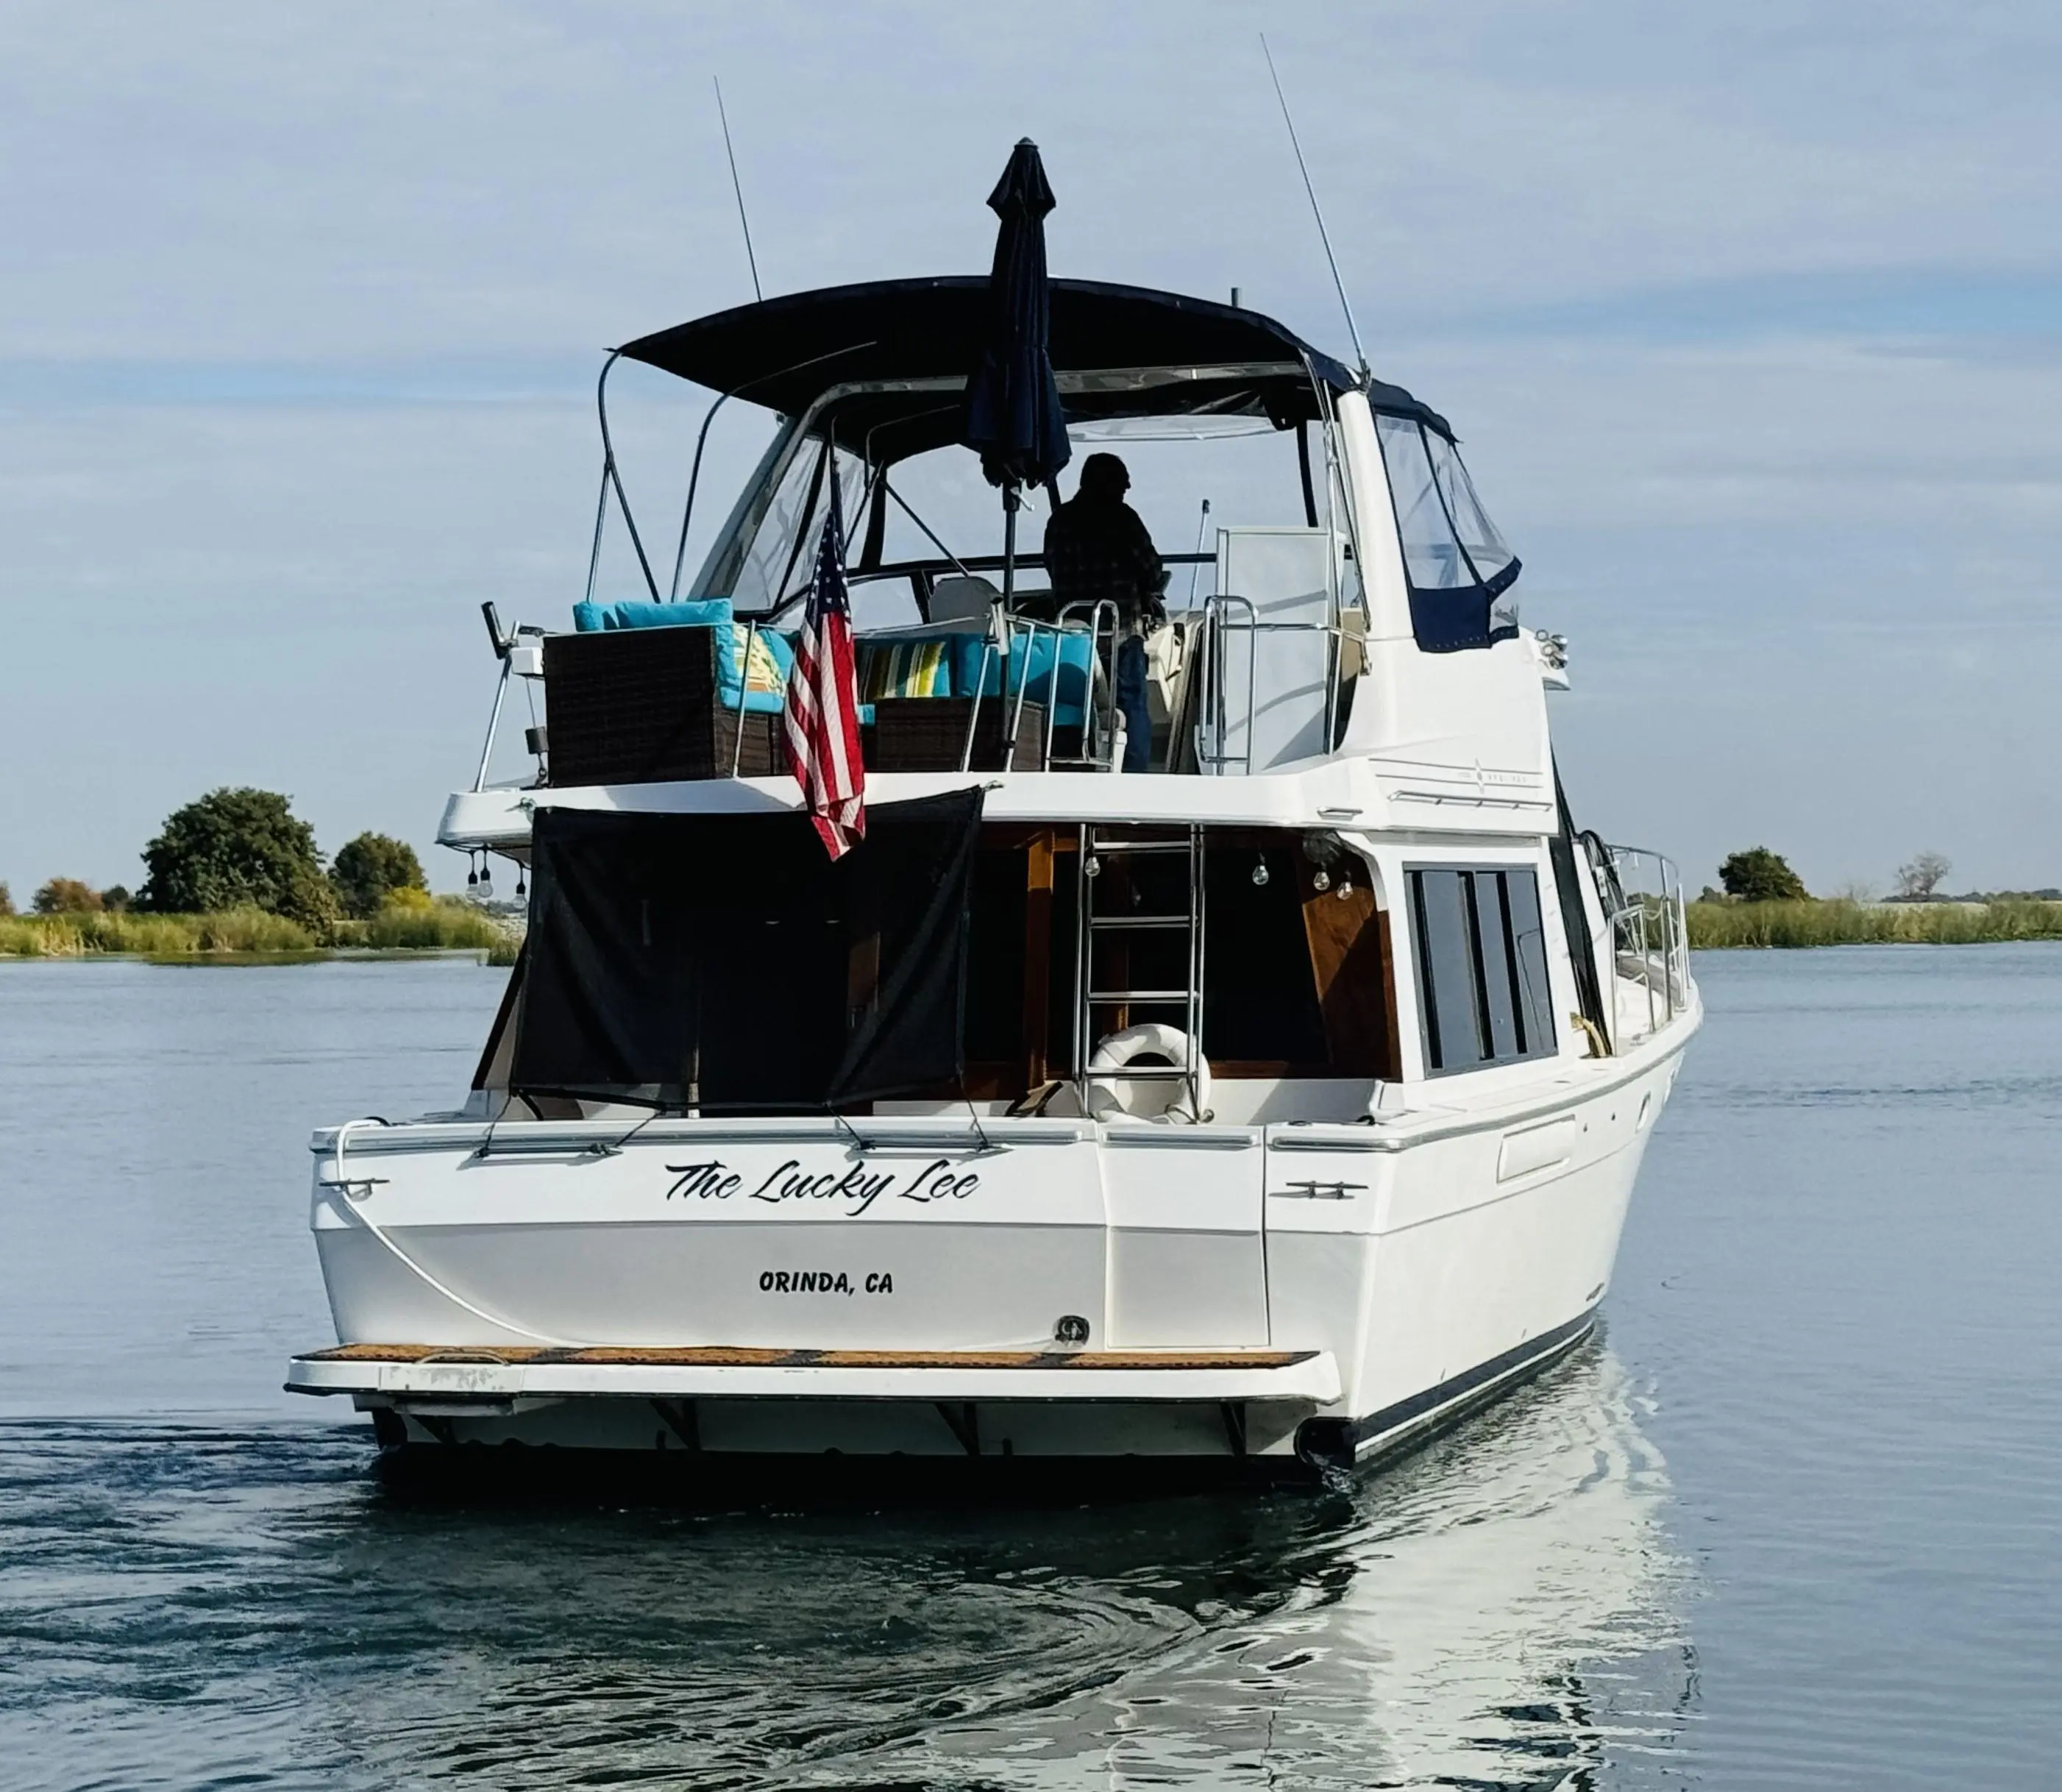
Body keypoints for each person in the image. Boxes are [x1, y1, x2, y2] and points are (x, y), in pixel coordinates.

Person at [1036, 452, 1165, 772]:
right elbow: (1152, 571)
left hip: (1074, 637)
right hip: (1120, 634)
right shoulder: (1123, 518)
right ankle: (1132, 777)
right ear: (1106, 483)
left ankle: (1075, 768)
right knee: (1131, 705)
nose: (1126, 489)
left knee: (1076, 706)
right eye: (1122, 484)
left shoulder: (1059, 521)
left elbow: (1052, 569)